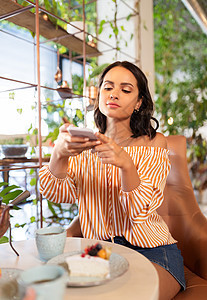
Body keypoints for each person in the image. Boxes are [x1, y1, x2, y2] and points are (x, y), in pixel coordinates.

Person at [39, 61, 186, 299]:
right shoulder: (83, 144)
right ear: (99, 96)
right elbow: (59, 196)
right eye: (108, 88)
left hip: (152, 250)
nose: (114, 94)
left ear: (139, 102)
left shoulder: (154, 143)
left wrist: (125, 164)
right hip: (99, 251)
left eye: (126, 90)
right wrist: (59, 155)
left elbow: (139, 213)